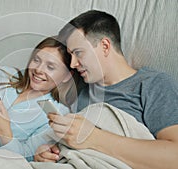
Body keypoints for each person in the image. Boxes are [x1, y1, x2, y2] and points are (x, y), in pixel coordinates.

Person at [34, 10, 178, 169]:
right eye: (71, 56)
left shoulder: (153, 84)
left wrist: (94, 137)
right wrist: (47, 153)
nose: (73, 63)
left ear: (104, 46)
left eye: (78, 53)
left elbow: (174, 157)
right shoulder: (82, 91)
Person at [0, 36, 83, 161]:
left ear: (67, 76)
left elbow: (27, 156)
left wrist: (4, 131)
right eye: (36, 60)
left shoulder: (57, 114)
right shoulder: (4, 75)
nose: (38, 70)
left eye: (50, 67)